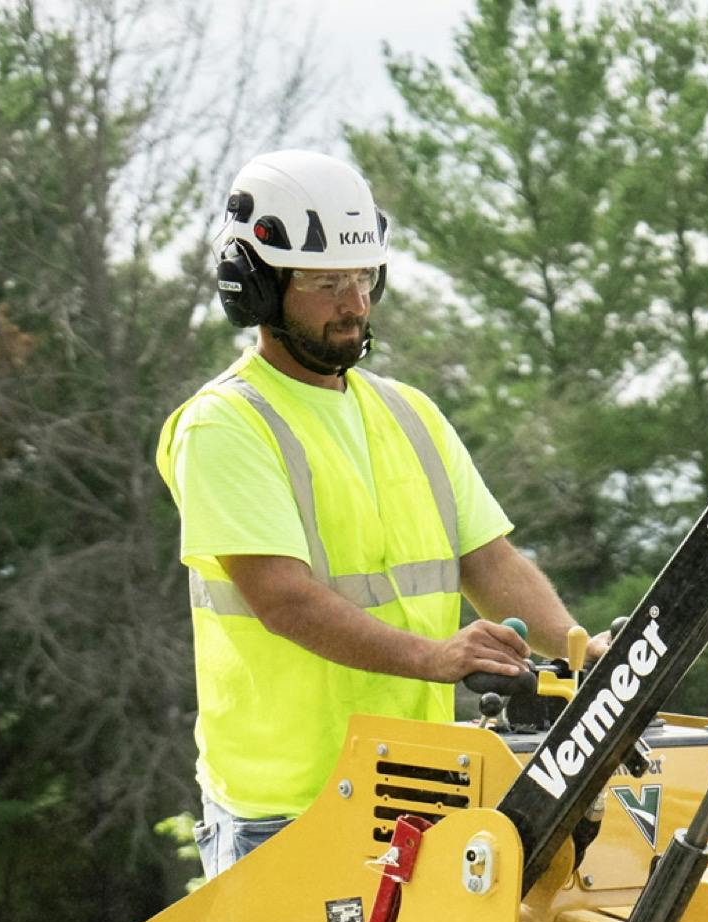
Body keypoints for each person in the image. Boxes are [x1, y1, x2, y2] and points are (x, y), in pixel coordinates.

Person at [158, 149, 587, 877]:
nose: (353, 304)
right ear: (258, 288)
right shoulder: (226, 425)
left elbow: (490, 561)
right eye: (326, 283)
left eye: (362, 278)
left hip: (422, 793)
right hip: (288, 812)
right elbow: (283, 599)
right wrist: (435, 658)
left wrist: (581, 653)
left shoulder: (409, 413)